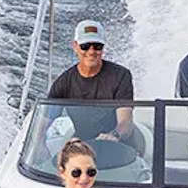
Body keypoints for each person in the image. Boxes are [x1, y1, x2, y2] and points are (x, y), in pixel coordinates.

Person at [47, 19, 142, 155]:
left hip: (120, 147)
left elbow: (125, 121)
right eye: (85, 46)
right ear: (75, 46)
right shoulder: (63, 82)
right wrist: (41, 148)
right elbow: (45, 121)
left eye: (97, 46)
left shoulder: (121, 76)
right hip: (83, 150)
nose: (91, 52)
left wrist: (114, 135)